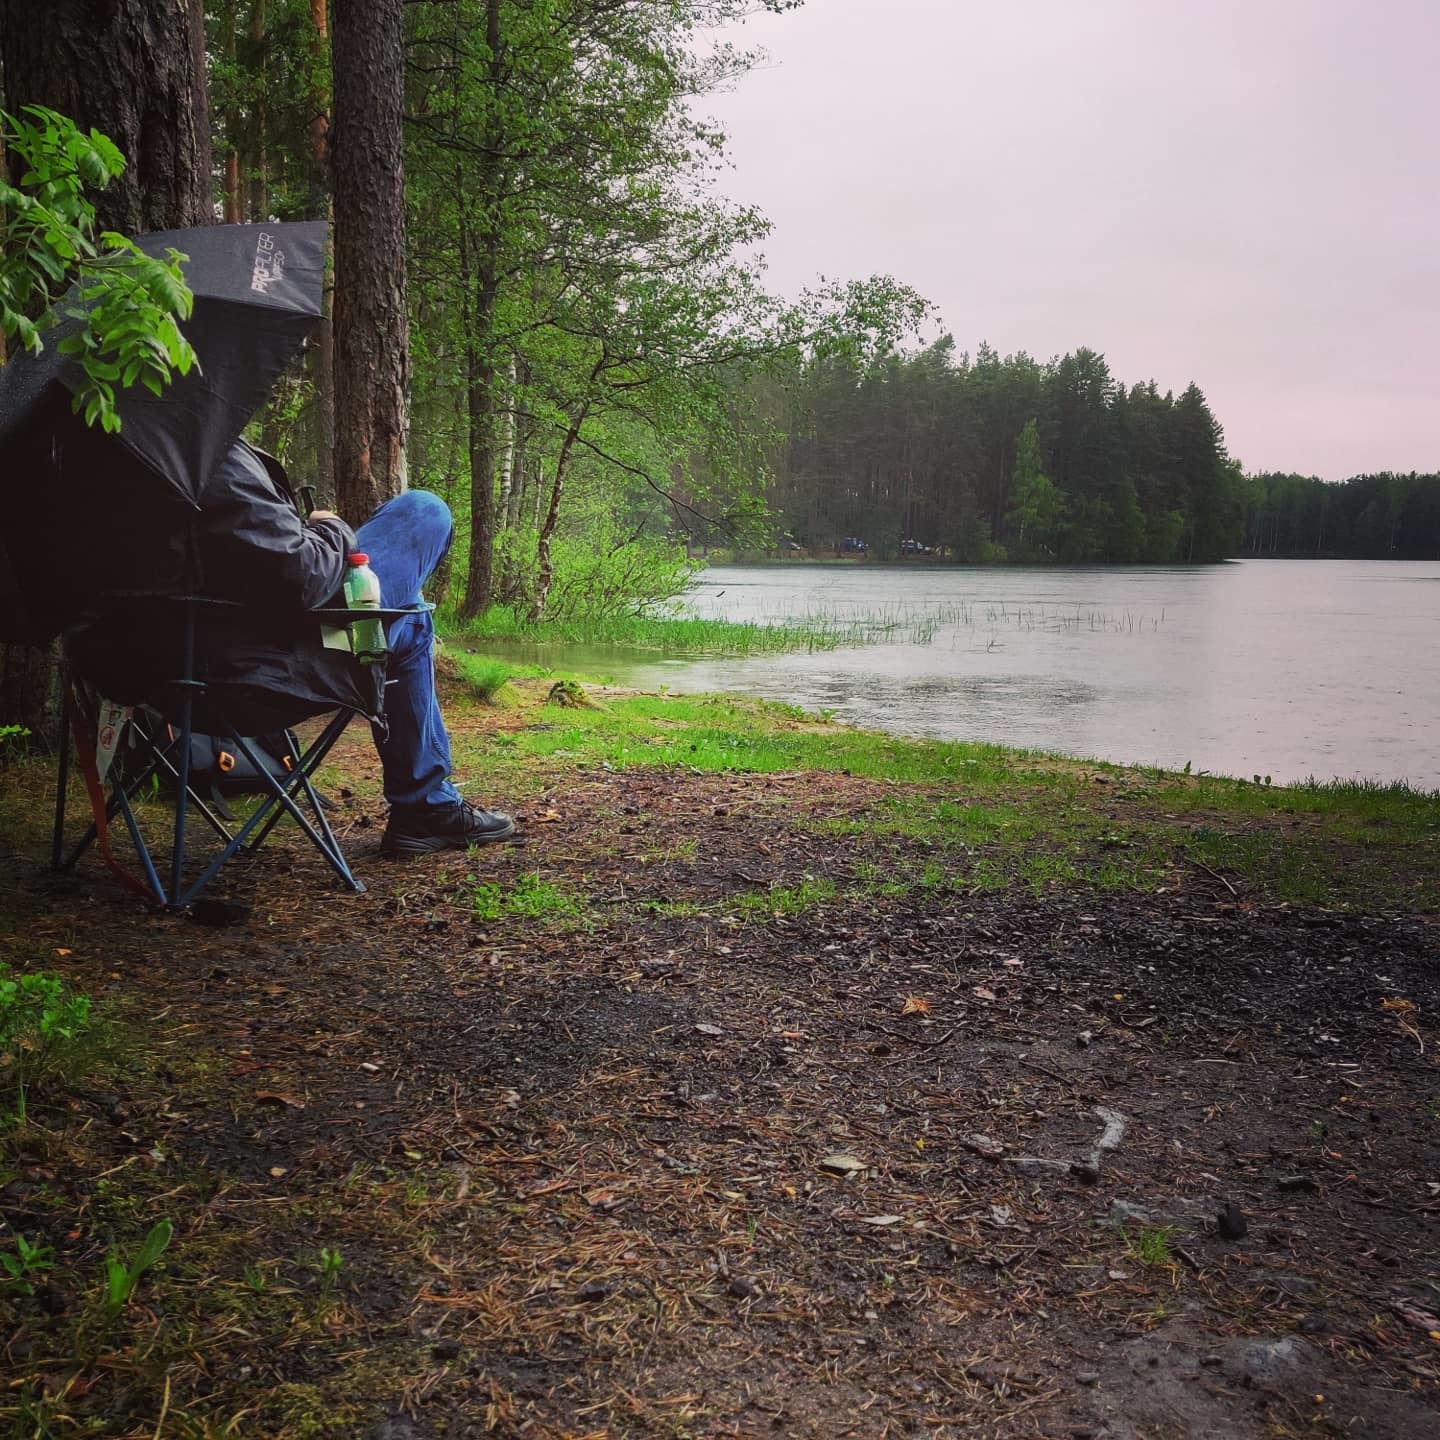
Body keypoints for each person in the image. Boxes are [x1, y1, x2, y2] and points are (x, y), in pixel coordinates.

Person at [196, 438, 516, 856]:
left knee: (408, 616)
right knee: (424, 512)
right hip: (270, 665)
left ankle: (427, 806)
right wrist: (328, 527)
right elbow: (302, 574)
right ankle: (425, 805)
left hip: (176, 673)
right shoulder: (207, 456)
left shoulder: (127, 473)